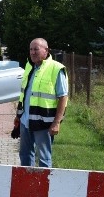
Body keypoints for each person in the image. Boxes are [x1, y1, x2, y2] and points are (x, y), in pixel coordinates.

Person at [14, 38, 68, 168]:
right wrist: (18, 116)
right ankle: (27, 183)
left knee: (44, 158)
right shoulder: (29, 66)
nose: (32, 52)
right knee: (25, 154)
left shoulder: (56, 68)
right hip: (25, 120)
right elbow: (24, 94)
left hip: (44, 123)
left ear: (46, 50)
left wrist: (56, 123)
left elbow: (63, 97)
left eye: (36, 49)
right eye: (31, 49)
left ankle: (44, 186)